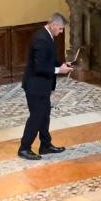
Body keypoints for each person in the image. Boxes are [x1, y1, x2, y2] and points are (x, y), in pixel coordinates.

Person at [18, 13, 72, 160]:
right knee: (36, 117)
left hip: (42, 86)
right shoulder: (41, 39)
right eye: (60, 29)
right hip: (35, 86)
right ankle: (24, 148)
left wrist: (61, 64)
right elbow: (39, 67)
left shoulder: (48, 36)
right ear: (53, 24)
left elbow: (50, 60)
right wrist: (58, 70)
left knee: (45, 115)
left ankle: (45, 145)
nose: (61, 32)